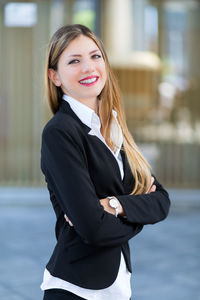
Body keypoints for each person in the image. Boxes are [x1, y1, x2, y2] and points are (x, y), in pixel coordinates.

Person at [40, 24, 170, 300]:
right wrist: (138, 211)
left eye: (95, 56)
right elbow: (93, 228)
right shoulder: (60, 132)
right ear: (55, 76)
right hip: (76, 288)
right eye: (74, 61)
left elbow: (162, 201)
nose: (88, 68)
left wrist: (115, 205)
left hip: (117, 286)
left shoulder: (113, 126)